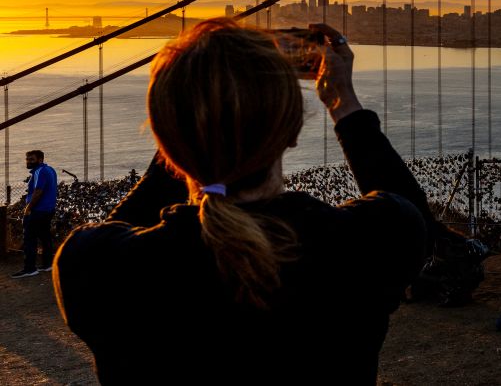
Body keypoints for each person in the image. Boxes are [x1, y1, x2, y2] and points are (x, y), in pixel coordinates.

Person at [53, 19, 436, 384]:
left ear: (166, 137)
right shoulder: (366, 242)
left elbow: (115, 231)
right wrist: (342, 101)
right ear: (292, 131)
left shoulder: (95, 268)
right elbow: (412, 214)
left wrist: (186, 129)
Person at [10, 149, 58, 278]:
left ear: (40, 159)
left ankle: (30, 268)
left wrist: (28, 208)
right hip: (48, 210)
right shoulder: (51, 170)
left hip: (37, 210)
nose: (28, 161)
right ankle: (47, 264)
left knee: (29, 239)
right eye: (27, 159)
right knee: (45, 236)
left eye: (31, 159)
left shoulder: (39, 171)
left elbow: (38, 191)